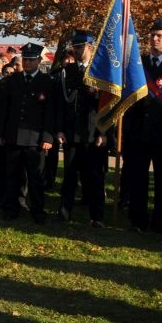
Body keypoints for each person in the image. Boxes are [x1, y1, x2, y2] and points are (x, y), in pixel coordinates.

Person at [122, 19, 162, 233]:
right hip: (139, 132)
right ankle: (137, 220)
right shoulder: (138, 64)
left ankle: (160, 222)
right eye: (152, 35)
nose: (155, 39)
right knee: (137, 177)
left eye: (160, 35)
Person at [0, 42, 57, 222]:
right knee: (12, 176)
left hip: (35, 139)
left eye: (31, 60)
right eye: (25, 60)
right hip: (13, 136)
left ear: (39, 61)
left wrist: (48, 137)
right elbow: (4, 109)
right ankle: (12, 208)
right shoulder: (13, 80)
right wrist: (1, 133)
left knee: (35, 178)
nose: (28, 63)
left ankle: (37, 211)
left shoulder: (47, 82)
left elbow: (51, 112)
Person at [56, 30, 108, 227]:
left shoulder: (100, 72)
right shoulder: (67, 71)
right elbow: (61, 104)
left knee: (94, 177)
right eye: (74, 47)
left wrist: (104, 132)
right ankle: (64, 212)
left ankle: (97, 216)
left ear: (90, 47)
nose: (76, 51)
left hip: (93, 134)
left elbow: (107, 106)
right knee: (69, 175)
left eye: (79, 47)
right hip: (71, 132)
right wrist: (60, 129)